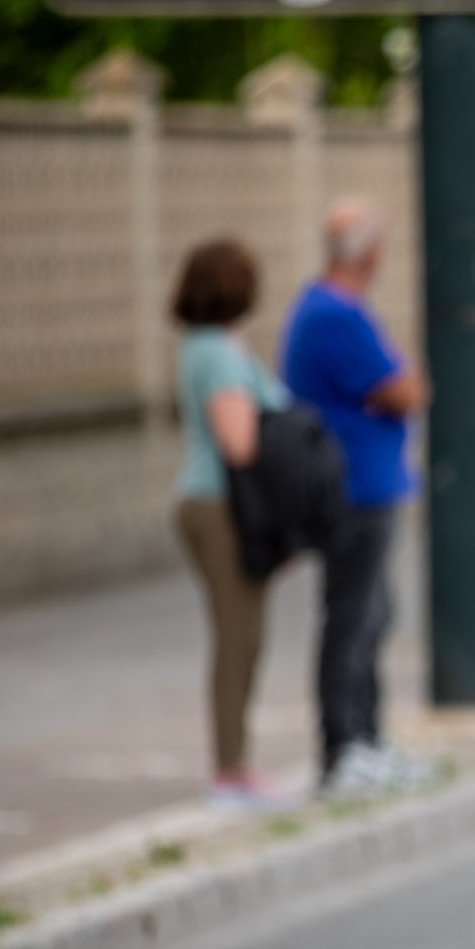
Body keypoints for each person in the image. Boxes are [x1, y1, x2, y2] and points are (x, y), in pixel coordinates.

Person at [281, 198, 434, 797]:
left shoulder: (338, 309)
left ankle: (367, 740)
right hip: (355, 487)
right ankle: (343, 748)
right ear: (371, 251)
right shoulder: (335, 315)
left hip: (369, 483)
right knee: (352, 618)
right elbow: (404, 389)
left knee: (373, 615)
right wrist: (397, 386)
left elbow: (400, 388)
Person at [169, 238, 294, 811]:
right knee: (238, 639)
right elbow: (240, 442)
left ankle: (235, 764)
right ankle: (229, 770)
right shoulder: (218, 353)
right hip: (220, 507)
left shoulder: (205, 346)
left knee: (242, 637)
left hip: (207, 501)